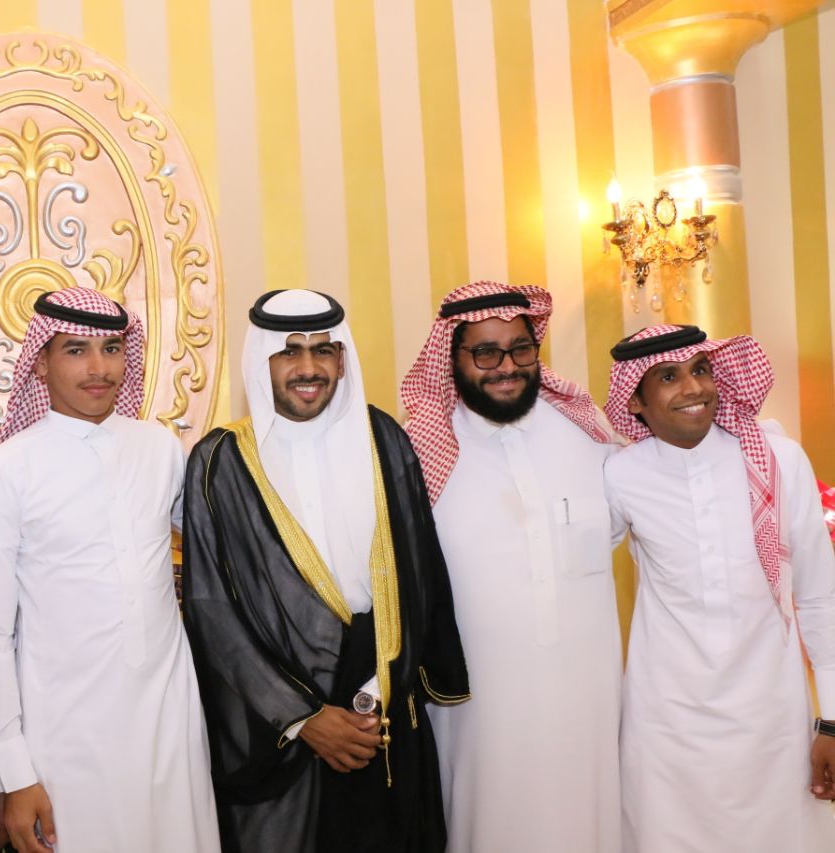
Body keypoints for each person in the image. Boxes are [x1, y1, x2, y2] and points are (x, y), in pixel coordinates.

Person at [182, 289, 469, 853]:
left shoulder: (384, 439)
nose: (308, 368)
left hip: (383, 698)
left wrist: (380, 689)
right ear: (261, 361)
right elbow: (213, 613)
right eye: (288, 352)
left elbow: (420, 572)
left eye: (322, 350)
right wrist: (303, 717)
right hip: (279, 718)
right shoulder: (220, 461)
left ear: (342, 358)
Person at [0, 288, 218, 853]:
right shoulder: (7, 470)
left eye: (111, 349)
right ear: (40, 361)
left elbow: (222, 545)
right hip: (66, 738)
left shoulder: (160, 449)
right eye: (76, 350)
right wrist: (16, 773)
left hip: (168, 724)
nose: (99, 369)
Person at [399, 281, 621, 852]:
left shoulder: (586, 432)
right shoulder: (418, 453)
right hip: (478, 709)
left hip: (587, 695)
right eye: (485, 353)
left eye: (521, 348)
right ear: (452, 358)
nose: (506, 366)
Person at [604, 324, 835, 852]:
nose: (694, 388)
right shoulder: (620, 476)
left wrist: (832, 720)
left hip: (773, 717)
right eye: (668, 377)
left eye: (701, 370)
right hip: (666, 723)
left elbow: (820, 597)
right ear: (635, 401)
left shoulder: (780, 460)